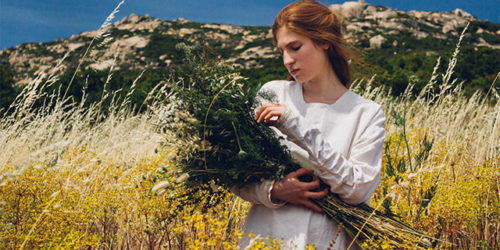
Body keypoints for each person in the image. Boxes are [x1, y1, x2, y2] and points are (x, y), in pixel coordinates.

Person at [231, 0, 386, 249]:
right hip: (265, 240)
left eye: (295, 47)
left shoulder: (366, 113)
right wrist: (275, 191)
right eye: (281, 51)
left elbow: (358, 189)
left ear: (324, 41)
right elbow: (236, 175)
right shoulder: (272, 94)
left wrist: (294, 124)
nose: (287, 60)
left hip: (326, 242)